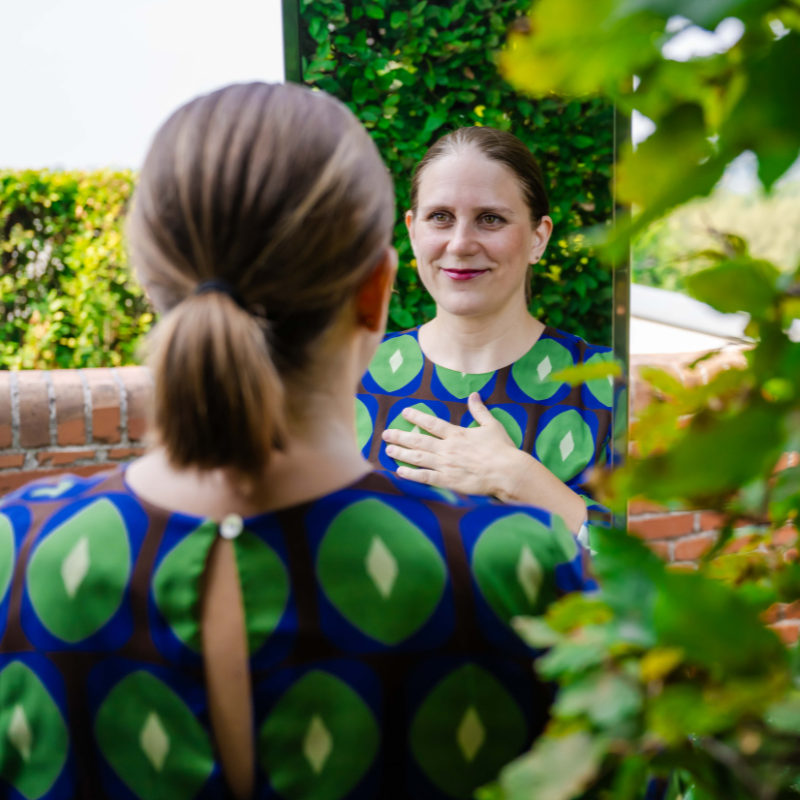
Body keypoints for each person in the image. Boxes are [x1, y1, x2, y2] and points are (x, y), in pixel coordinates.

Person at [0, 84, 591, 800]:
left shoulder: (15, 553)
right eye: (440, 217)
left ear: (151, 284)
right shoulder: (520, 567)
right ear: (377, 288)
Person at [358, 127, 613, 537]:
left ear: (538, 238)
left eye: (490, 219)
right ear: (412, 230)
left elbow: (644, 579)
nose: (460, 244)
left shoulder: (606, 383)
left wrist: (519, 479)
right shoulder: (349, 374)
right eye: (440, 217)